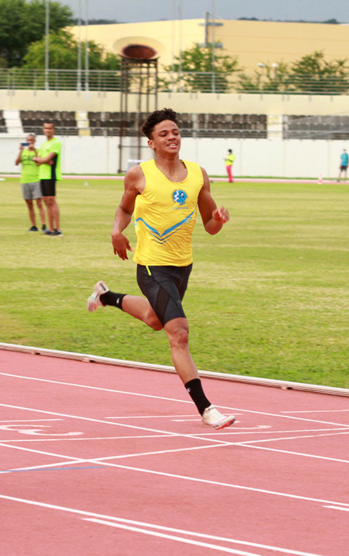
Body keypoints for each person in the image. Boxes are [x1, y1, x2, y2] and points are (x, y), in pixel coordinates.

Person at [87, 108, 236, 431]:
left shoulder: (198, 174)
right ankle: (206, 408)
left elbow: (210, 227)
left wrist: (218, 220)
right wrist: (116, 231)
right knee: (178, 333)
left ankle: (106, 296)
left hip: (183, 265)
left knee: (156, 320)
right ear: (151, 142)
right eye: (164, 134)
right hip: (152, 265)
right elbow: (124, 208)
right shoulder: (138, 175)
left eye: (175, 132)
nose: (172, 137)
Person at [34, 121, 63, 236]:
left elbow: (45, 159)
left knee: (52, 200)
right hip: (42, 175)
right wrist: (43, 160)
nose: (47, 130)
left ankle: (57, 228)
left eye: (50, 128)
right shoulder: (43, 145)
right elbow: (38, 160)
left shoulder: (56, 143)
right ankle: (50, 228)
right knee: (46, 201)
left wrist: (43, 160)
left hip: (51, 175)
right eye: (46, 128)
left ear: (53, 130)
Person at [15, 133, 46, 232]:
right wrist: (20, 151)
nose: (30, 142)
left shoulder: (38, 151)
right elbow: (16, 162)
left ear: (34, 141)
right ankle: (33, 225)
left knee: (39, 202)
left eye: (32, 140)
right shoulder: (23, 152)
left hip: (36, 179)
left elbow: (39, 163)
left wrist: (35, 151)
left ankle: (44, 224)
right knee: (29, 204)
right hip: (25, 180)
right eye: (28, 140)